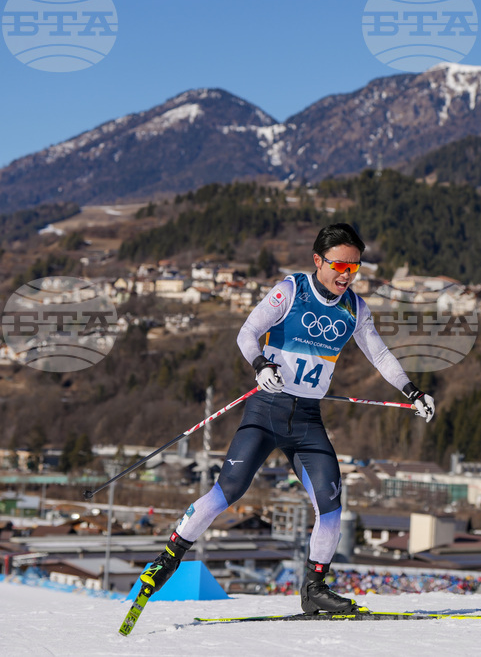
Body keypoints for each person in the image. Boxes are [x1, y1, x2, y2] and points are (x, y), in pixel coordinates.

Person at [136, 223, 435, 614]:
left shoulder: (355, 309)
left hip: (307, 421)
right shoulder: (290, 291)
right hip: (266, 411)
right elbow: (248, 333)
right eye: (339, 266)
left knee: (330, 507)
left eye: (354, 268)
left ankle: (314, 589)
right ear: (318, 260)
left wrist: (413, 391)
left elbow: (379, 356)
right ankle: (168, 559)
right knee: (228, 490)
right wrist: (260, 363)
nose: (346, 275)